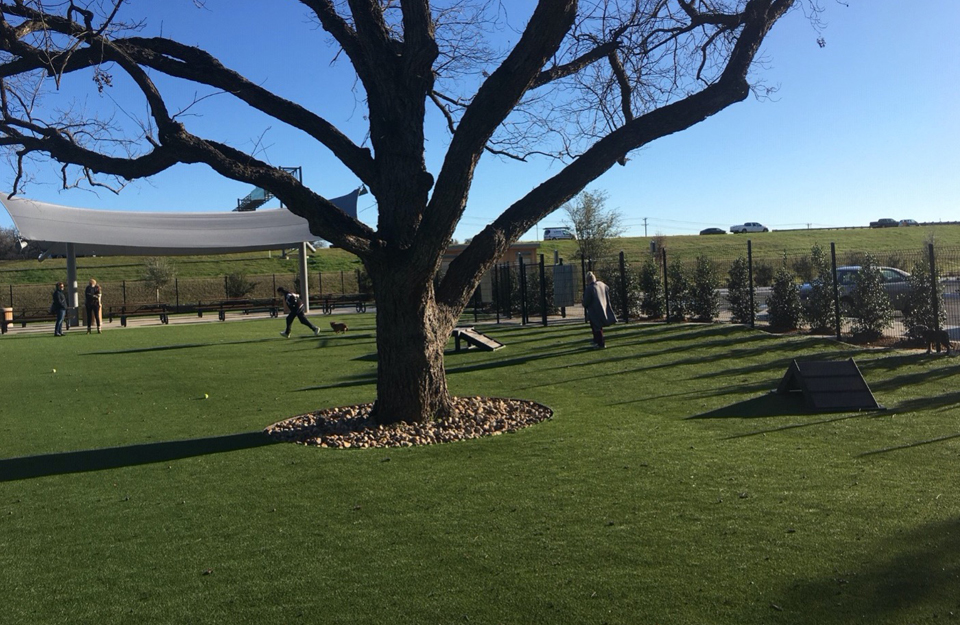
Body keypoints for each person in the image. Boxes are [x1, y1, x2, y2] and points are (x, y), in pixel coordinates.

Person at [582, 271, 617, 348]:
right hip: (602, 306)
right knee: (598, 326)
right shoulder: (601, 284)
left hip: (594, 310)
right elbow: (607, 288)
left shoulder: (590, 288)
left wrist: (584, 303)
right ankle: (596, 341)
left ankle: (601, 343)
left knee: (596, 326)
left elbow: (586, 302)